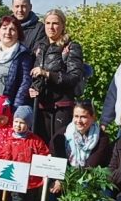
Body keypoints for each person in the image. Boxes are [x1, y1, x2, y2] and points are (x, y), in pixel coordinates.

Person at [30, 9, 85, 143]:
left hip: (61, 107)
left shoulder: (71, 47)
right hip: (42, 106)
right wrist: (33, 88)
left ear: (63, 26)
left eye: (55, 23)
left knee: (58, 148)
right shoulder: (40, 47)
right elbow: (34, 74)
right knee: (41, 147)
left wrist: (47, 74)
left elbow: (74, 77)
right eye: (48, 23)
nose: (51, 27)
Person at [4, 105, 50, 201]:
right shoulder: (9, 141)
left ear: (28, 124)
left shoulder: (35, 140)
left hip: (33, 181)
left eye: (22, 123)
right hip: (16, 180)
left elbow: (44, 154)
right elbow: (4, 157)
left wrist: (47, 160)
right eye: (16, 122)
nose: (18, 125)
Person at [53, 101, 111, 169]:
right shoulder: (61, 135)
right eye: (76, 116)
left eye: (83, 117)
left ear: (93, 118)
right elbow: (58, 162)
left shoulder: (102, 138)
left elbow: (91, 165)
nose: (79, 121)